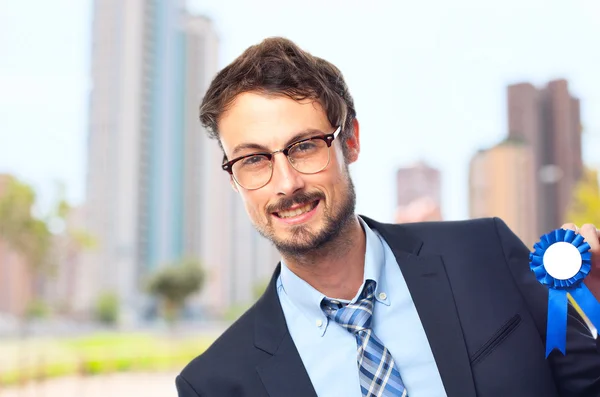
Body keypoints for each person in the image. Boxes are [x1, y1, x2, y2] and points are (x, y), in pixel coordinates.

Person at [176, 37, 600, 397]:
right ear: (233, 177)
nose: (285, 184)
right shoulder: (214, 384)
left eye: (304, 146)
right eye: (253, 159)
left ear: (352, 142)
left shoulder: (486, 254)